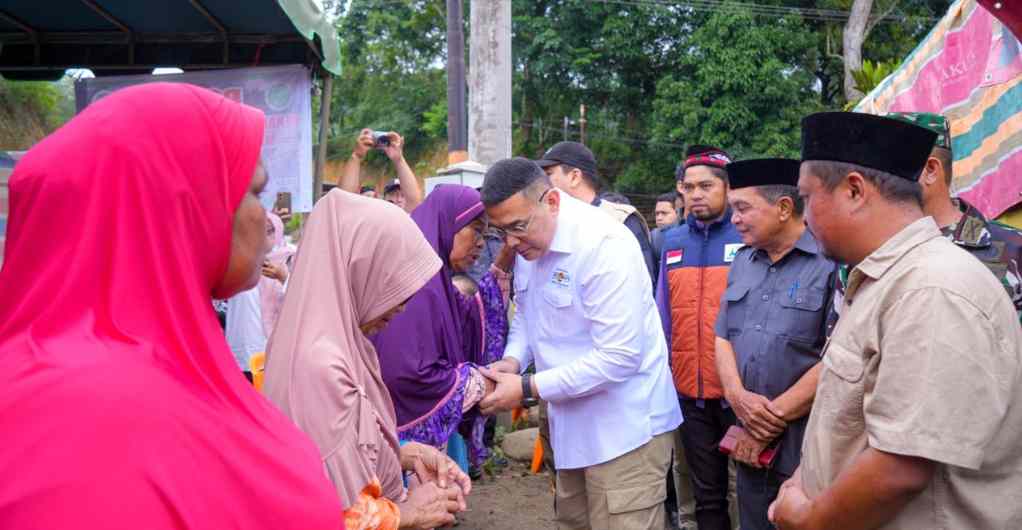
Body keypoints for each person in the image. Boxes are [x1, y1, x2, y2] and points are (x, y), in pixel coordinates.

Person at [0, 83, 342, 529]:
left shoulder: (52, 375)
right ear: (184, 204)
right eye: (254, 192)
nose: (264, 220)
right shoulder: (104, 413)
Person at [769, 112, 1022, 530]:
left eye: (808, 198)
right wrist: (802, 481)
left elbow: (900, 469)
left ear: (853, 190)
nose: (805, 217)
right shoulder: (882, 278)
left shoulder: (932, 288)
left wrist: (811, 519)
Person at [478, 157, 682, 530]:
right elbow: (527, 313)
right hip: (570, 425)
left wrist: (526, 387)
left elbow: (619, 357)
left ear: (552, 202)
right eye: (500, 231)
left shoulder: (604, 245)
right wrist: (512, 361)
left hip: (626, 428)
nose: (511, 242)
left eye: (517, 227)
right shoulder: (529, 243)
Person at [263, 189, 472, 530]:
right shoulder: (320, 366)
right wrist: (409, 513)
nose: (402, 304)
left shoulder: (335, 343)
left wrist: (406, 453)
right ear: (359, 269)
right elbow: (331, 510)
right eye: (391, 280)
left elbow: (323, 455)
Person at [713, 159, 836, 530]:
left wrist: (771, 417)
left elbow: (840, 356)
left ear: (784, 208)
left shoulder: (831, 263)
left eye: (742, 208)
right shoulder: (743, 262)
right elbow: (722, 335)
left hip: (806, 442)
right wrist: (737, 398)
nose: (733, 218)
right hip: (751, 440)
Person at [371, 184, 513, 470]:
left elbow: (472, 316)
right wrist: (475, 383)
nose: (481, 243)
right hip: (402, 443)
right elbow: (404, 374)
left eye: (487, 234)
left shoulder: (437, 282)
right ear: (447, 223)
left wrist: (503, 262)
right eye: (475, 229)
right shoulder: (416, 284)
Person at [657, 144, 741, 530]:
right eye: (689, 188)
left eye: (706, 186)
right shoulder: (672, 243)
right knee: (706, 498)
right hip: (688, 391)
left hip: (738, 394)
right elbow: (663, 315)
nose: (695, 195)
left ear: (727, 188)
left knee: (745, 494)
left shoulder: (747, 237)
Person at [885, 112, 1022, 322]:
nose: (877, 179)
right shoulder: (872, 251)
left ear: (931, 171)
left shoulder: (1012, 247)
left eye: (889, 167)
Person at [535, 141, 656, 285]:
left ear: (574, 177)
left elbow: (642, 283)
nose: (542, 183)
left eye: (548, 175)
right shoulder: (548, 224)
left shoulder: (620, 219)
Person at [339, 128, 422, 212]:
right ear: (384, 198)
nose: (398, 200)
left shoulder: (407, 217)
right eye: (393, 194)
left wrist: (399, 159)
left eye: (403, 195)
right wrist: (356, 156)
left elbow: (414, 202)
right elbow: (343, 199)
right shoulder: (376, 214)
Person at [259, 212, 293, 336]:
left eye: (270, 231)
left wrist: (283, 277)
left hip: (283, 333)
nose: (264, 237)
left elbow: (304, 297)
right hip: (254, 335)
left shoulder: (291, 257)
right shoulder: (247, 261)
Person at [651, 191, 681, 267]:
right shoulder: (652, 236)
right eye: (657, 214)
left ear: (677, 213)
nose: (659, 218)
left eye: (664, 213)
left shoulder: (688, 235)